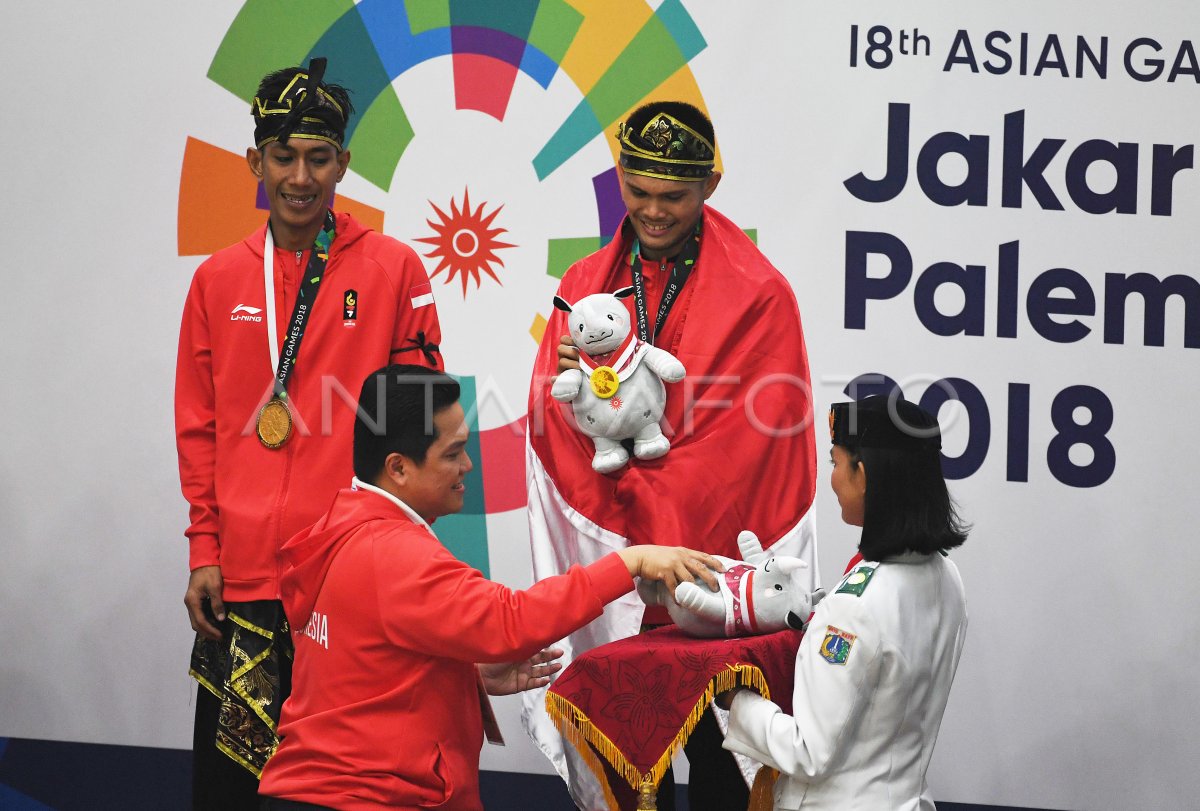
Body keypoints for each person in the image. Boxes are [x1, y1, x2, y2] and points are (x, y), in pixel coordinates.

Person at [523, 101, 819, 810]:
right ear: (620, 176)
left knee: (724, 766)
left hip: (712, 574)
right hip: (623, 563)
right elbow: (548, 417)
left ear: (709, 186)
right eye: (639, 192)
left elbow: (752, 446)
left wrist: (648, 513)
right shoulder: (582, 285)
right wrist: (573, 395)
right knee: (623, 763)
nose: (653, 212)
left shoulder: (761, 294)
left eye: (673, 196)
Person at [256, 364, 724, 811]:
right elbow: (511, 621)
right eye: (453, 452)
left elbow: (363, 668)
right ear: (397, 468)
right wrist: (631, 560)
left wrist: (464, 677)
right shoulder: (394, 554)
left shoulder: (340, 527)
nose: (468, 466)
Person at [175, 59, 443, 810]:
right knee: (233, 790)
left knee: (344, 791)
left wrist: (393, 560)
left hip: (350, 584)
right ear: (253, 161)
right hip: (245, 582)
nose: (301, 176)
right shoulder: (219, 279)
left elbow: (418, 430)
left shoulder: (393, 268)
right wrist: (204, 547)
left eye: (319, 157)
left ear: (344, 163)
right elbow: (198, 429)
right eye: (284, 157)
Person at [718, 395, 970, 809]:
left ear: (864, 474)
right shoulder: (947, 577)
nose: (831, 478)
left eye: (835, 463)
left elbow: (808, 753)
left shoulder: (855, 606)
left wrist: (735, 699)